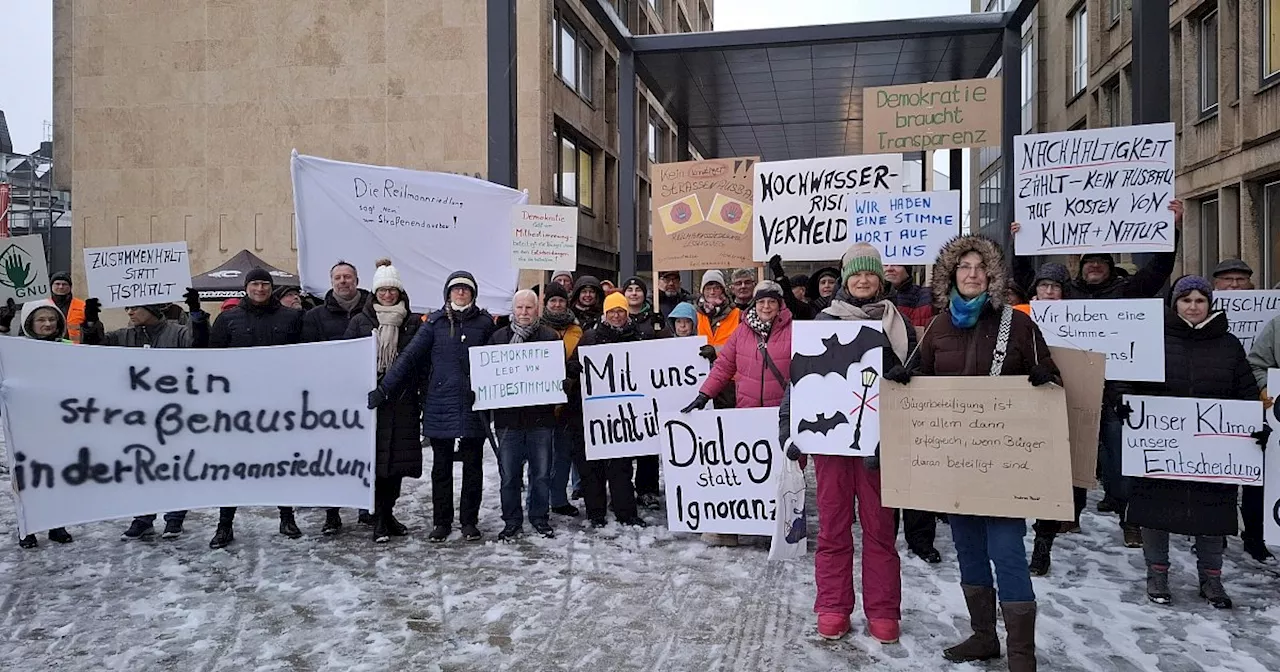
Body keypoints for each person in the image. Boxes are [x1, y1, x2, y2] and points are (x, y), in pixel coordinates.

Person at [903, 234, 1060, 672]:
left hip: (1006, 467)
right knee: (968, 548)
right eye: (963, 267)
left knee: (1007, 551)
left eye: (979, 267)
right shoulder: (936, 328)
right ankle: (983, 635)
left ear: (991, 275)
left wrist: (1046, 374)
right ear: (950, 275)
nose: (971, 274)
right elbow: (921, 384)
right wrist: (903, 379)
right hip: (956, 464)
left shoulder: (1020, 325)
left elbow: (1052, 382)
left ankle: (1021, 655)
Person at [1012, 198, 1181, 550]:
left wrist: (1172, 229)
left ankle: (1129, 519)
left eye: (1100, 263)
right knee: (1071, 453)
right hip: (1075, 386)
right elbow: (1028, 280)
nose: (1094, 268)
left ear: (1109, 266)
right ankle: (1069, 515)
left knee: (1120, 462)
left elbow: (1158, 271)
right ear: (1081, 268)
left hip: (1118, 389)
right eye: (1088, 263)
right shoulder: (1066, 294)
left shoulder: (1128, 291)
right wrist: (1020, 242)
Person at [777, 243, 912, 645]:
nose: (864, 279)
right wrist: (790, 427)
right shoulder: (824, 320)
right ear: (845, 279)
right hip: (833, 447)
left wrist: (906, 376)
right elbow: (798, 379)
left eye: (870, 273)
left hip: (879, 447)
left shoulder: (897, 324)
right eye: (856, 273)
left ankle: (883, 610)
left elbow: (916, 380)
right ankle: (833, 606)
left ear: (880, 278)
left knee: (880, 530)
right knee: (834, 528)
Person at [1121, 276, 1263, 609]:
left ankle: (1211, 579)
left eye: (1201, 300)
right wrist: (1124, 404)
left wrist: (1256, 425)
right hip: (1161, 446)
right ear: (1175, 305)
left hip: (1212, 451)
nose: (1194, 306)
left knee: (1212, 515)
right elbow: (1130, 382)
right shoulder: (1153, 339)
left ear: (1210, 305)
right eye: (1187, 300)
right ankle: (1157, 574)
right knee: (1156, 512)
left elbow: (1245, 391)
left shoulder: (1228, 345)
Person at [372, 271, 496, 542]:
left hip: (475, 406)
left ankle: (469, 521)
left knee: (473, 467)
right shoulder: (435, 323)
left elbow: (499, 362)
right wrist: (384, 389)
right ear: (447, 294)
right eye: (456, 289)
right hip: (440, 405)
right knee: (441, 468)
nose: (461, 293)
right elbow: (409, 357)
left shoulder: (485, 323)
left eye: (465, 289)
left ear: (473, 293)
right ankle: (442, 522)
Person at [81, 289, 210, 541]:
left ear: (152, 310)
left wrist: (196, 313)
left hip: (175, 413)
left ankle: (175, 518)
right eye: (127, 308)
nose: (130, 312)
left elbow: (200, 343)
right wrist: (90, 323)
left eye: (136, 307)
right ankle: (142, 518)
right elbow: (94, 349)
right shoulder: (124, 335)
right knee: (141, 467)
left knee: (175, 465)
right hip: (138, 416)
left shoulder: (177, 332)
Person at [682, 280, 794, 546]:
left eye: (771, 302)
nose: (766, 306)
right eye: (762, 301)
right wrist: (703, 395)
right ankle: (734, 526)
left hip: (783, 415)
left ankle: (781, 527)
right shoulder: (742, 333)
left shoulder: (794, 332)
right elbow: (723, 367)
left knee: (783, 473)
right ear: (755, 304)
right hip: (748, 414)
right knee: (748, 472)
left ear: (780, 305)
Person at [207, 268, 305, 549]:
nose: (260, 289)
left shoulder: (291, 318)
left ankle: (287, 517)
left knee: (281, 463)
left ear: (271, 287)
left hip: (280, 406)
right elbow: (213, 360)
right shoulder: (227, 319)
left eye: (265, 284)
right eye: (255, 284)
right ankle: (225, 524)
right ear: (246, 287)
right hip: (239, 409)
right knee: (233, 467)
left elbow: (307, 357)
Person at [1012, 262, 1091, 576]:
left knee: (1055, 479)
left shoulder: (1083, 319)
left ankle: (1043, 543)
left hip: (1064, 402)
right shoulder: (1017, 316)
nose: (1048, 292)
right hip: (1022, 404)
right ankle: (1013, 540)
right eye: (1043, 286)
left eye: (1055, 287)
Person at [343, 259, 423, 543]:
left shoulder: (412, 322)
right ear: (374, 292)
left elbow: (415, 362)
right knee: (376, 463)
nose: (387, 295)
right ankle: (378, 517)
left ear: (400, 292)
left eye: (392, 290)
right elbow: (348, 361)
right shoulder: (361, 322)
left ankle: (388, 514)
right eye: (382, 290)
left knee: (397, 465)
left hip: (401, 403)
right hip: (371, 403)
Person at [302, 261, 373, 535]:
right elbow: (308, 354)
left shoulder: (372, 311)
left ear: (357, 279)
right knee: (331, 456)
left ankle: (366, 506)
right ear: (331, 282)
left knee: (365, 453)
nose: (343, 281)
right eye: (338, 277)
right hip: (329, 396)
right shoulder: (316, 316)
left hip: (364, 394)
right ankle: (332, 512)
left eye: (348, 277)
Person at [566, 292, 647, 528]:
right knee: (592, 468)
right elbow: (573, 363)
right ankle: (596, 513)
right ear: (605, 314)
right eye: (612, 311)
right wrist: (575, 371)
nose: (617, 315)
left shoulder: (636, 338)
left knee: (621, 467)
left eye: (621, 311)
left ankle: (626, 513)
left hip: (623, 415)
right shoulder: (590, 338)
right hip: (593, 414)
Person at [488, 290, 562, 541]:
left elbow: (557, 373)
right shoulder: (498, 338)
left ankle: (539, 517)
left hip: (540, 418)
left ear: (537, 310)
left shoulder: (550, 338)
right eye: (519, 308)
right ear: (513, 310)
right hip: (508, 420)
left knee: (541, 473)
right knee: (509, 475)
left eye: (528, 308)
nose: (523, 313)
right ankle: (511, 521)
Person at [9, 299, 75, 549]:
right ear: (29, 323)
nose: (48, 324)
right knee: (27, 479)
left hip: (60, 423)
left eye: (52, 319)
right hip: (26, 424)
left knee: (56, 475)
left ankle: (56, 525)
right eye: (41, 320)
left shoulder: (69, 346)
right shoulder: (16, 349)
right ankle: (26, 527)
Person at [620, 276, 670, 510]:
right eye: (629, 290)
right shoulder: (618, 317)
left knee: (648, 443)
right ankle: (624, 488)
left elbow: (668, 349)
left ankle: (647, 489)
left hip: (650, 390)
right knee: (625, 442)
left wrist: (661, 330)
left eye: (637, 290)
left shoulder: (655, 320)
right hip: (624, 389)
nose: (633, 293)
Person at [541, 283, 586, 518]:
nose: (557, 305)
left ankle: (558, 499)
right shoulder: (536, 329)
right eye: (552, 301)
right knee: (541, 457)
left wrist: (572, 373)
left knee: (562, 454)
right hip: (540, 402)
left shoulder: (577, 330)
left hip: (569, 400)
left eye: (561, 301)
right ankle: (539, 501)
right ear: (546, 304)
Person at [766, 255, 815, 320]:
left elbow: (789, 299)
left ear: (802, 290)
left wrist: (779, 275)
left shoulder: (808, 308)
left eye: (792, 288)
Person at [48, 271, 87, 343]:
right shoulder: (43, 304)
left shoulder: (82, 306)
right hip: (48, 346)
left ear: (70, 287)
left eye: (64, 284)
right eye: (57, 284)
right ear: (51, 286)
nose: (61, 287)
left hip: (74, 349)